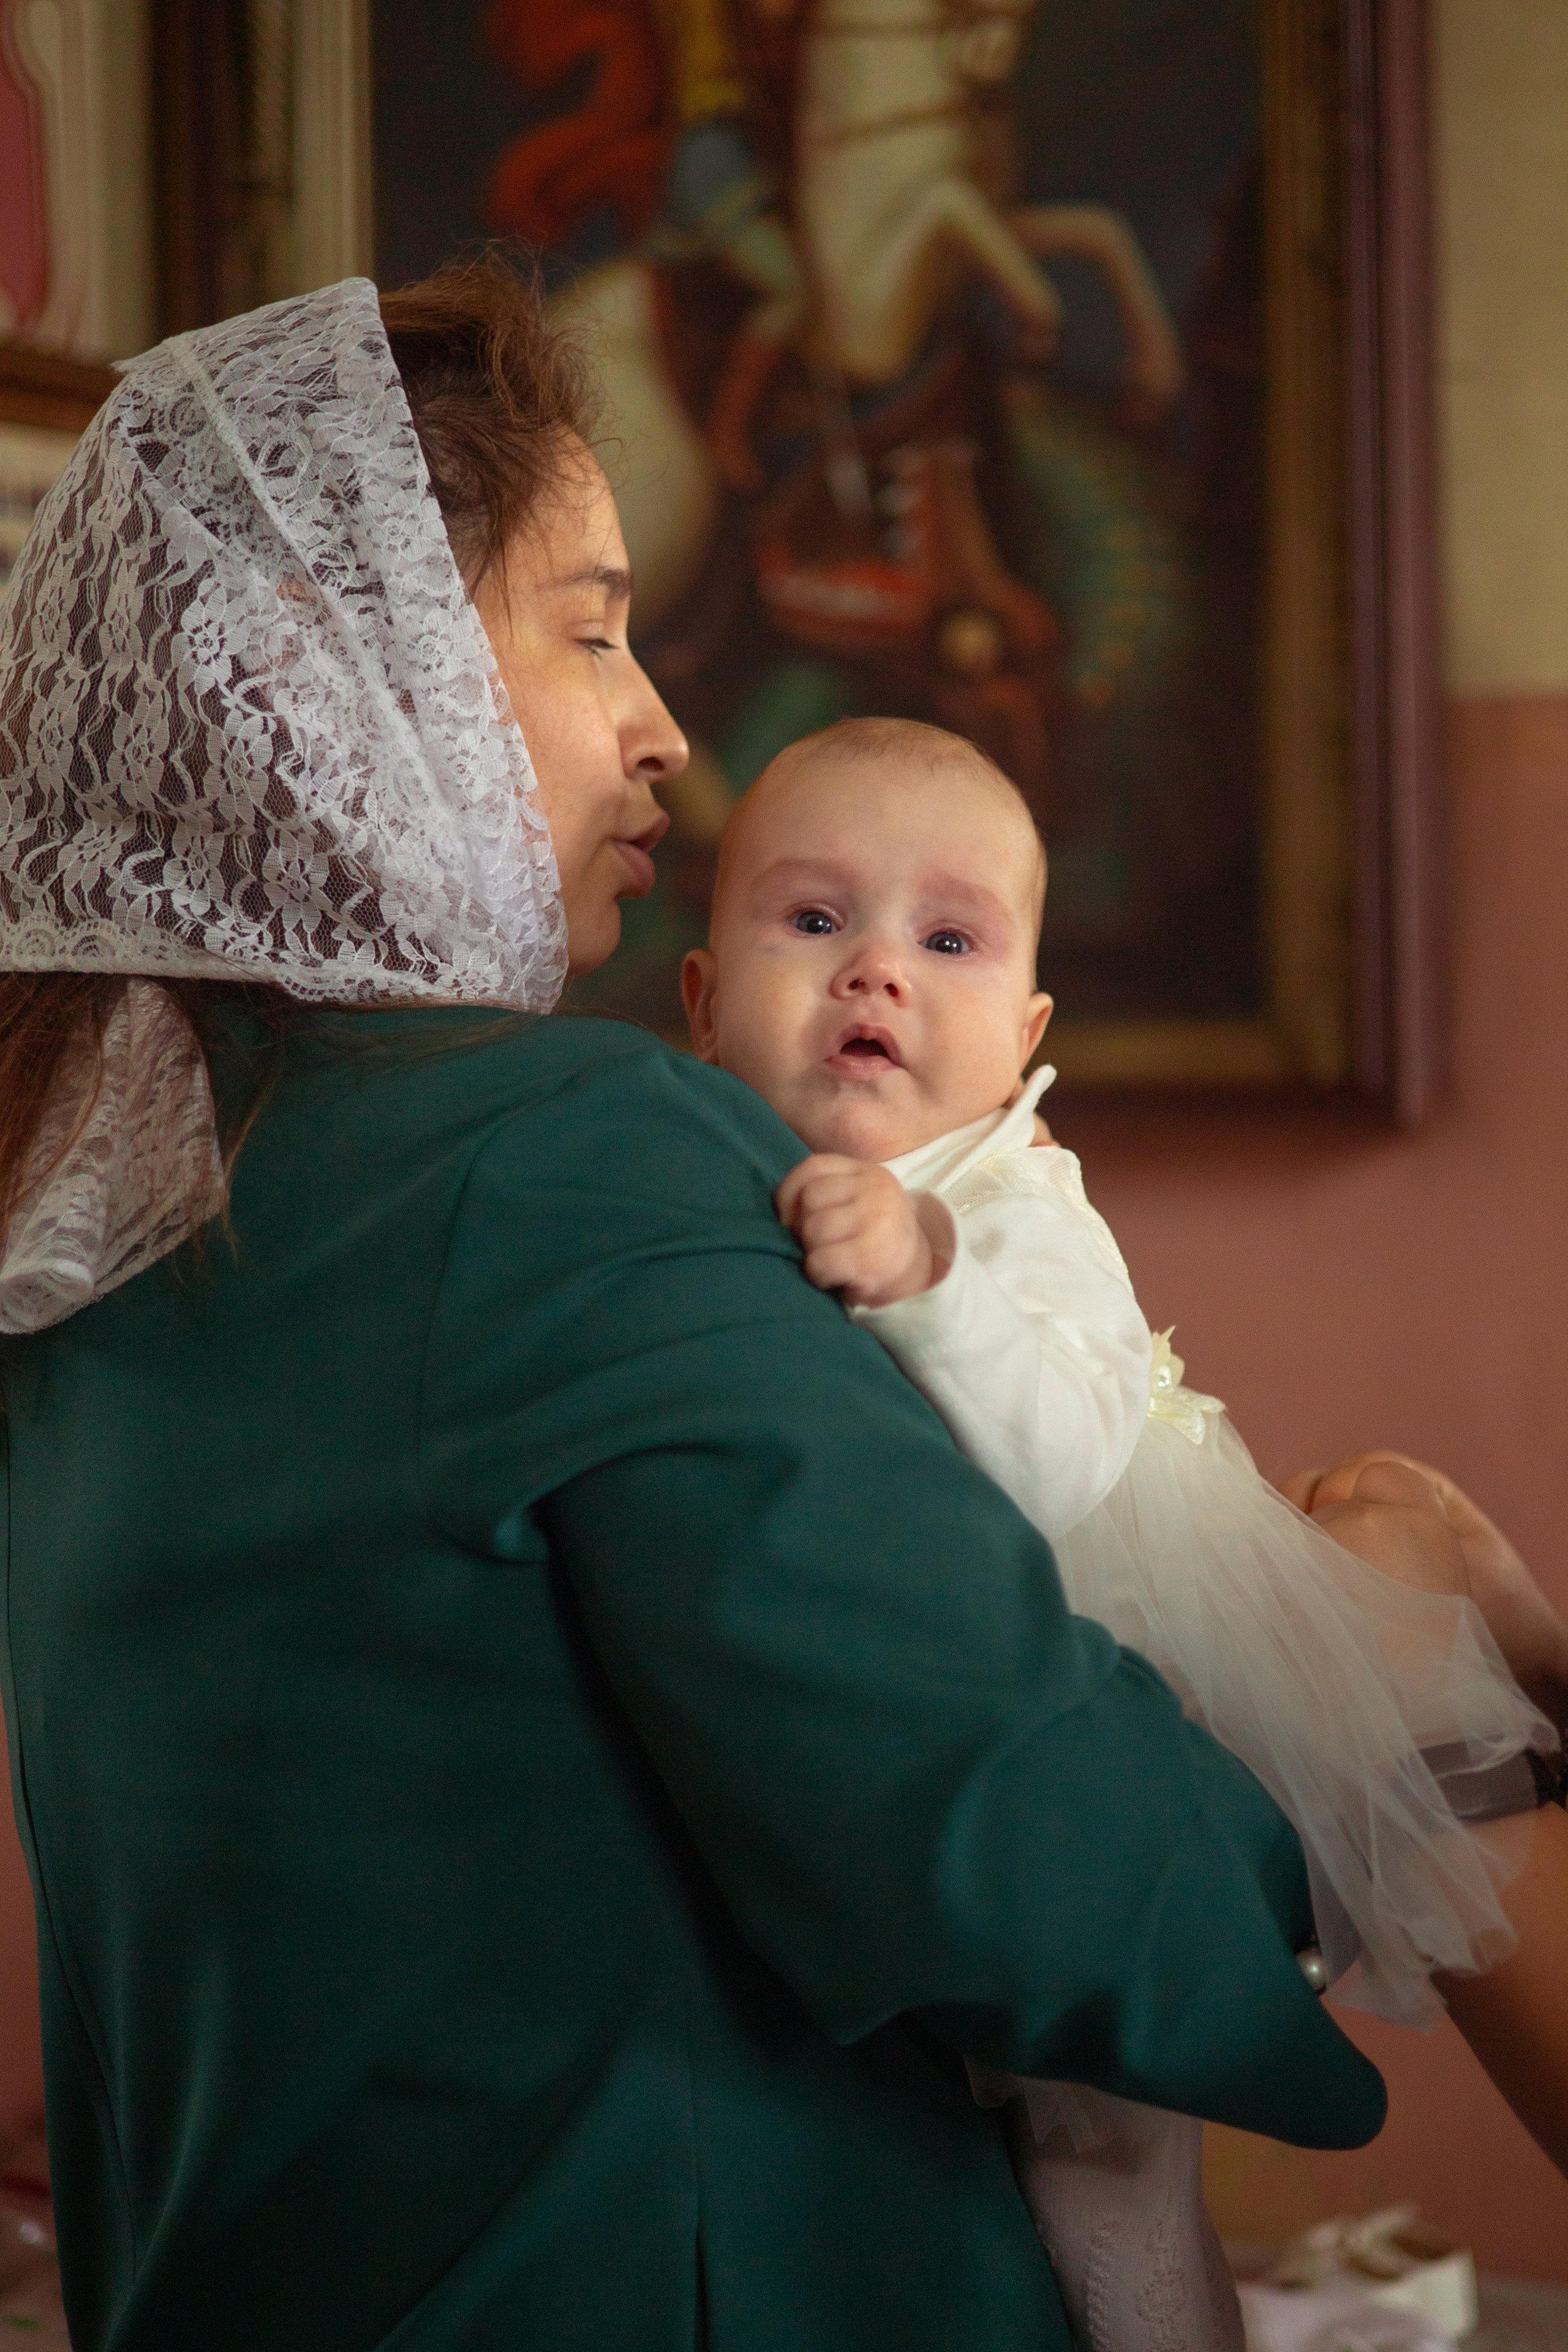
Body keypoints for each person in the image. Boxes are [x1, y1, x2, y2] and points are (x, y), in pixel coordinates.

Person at [0, 266, 1387, 2351]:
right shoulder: (570, 1156)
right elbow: (1019, 1843)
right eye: (590, 632)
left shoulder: (89, 1210)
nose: (662, 725)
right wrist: (1362, 1801)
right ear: (321, 668)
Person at [680, 715, 1568, 2350]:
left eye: (949, 942)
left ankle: (1476, 1616)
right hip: (969, 1712)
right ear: (699, 1000)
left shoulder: (1014, 1197)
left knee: (1105, 2156)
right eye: (814, 920)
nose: (878, 971)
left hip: (1165, 1688)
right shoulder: (707, 1176)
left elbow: (1059, 1458)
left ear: (1025, 1036)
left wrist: (931, 1276)